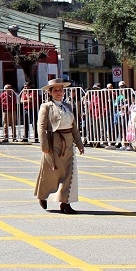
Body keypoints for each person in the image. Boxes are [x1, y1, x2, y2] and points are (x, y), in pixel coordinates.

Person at [34, 79, 84, 214]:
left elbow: (74, 128)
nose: (59, 92)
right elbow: (41, 127)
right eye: (55, 90)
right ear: (50, 92)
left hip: (68, 142)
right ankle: (42, 195)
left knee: (69, 173)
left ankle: (65, 203)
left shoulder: (67, 106)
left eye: (60, 90)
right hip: (53, 142)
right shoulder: (46, 107)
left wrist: (79, 143)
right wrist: (44, 145)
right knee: (50, 172)